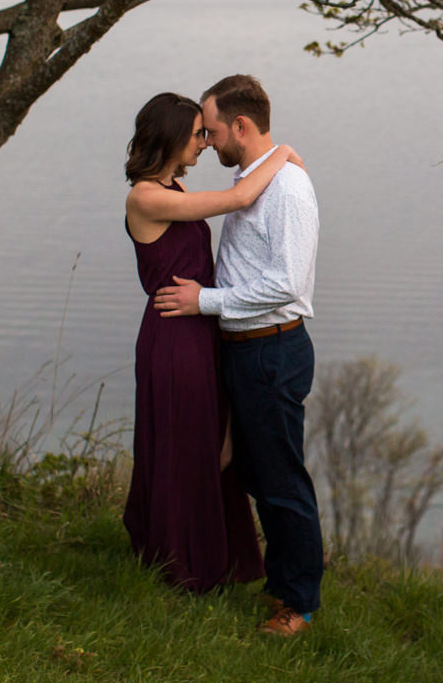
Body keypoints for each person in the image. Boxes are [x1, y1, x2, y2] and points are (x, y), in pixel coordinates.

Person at [154, 74, 323, 638]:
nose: (207, 139)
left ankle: (298, 605)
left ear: (241, 127)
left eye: (213, 128)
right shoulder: (248, 179)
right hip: (242, 350)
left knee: (281, 481)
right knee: (251, 471)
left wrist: (205, 301)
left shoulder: (288, 189)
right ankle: (274, 580)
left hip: (272, 350)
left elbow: (286, 285)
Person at [121, 91, 301, 594]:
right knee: (185, 447)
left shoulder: (172, 187)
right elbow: (238, 199)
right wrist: (281, 154)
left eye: (207, 132)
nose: (204, 142)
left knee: (217, 448)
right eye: (198, 134)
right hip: (174, 338)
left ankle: (218, 560)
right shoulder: (146, 197)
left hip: (202, 330)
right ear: (173, 136)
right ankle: (182, 567)